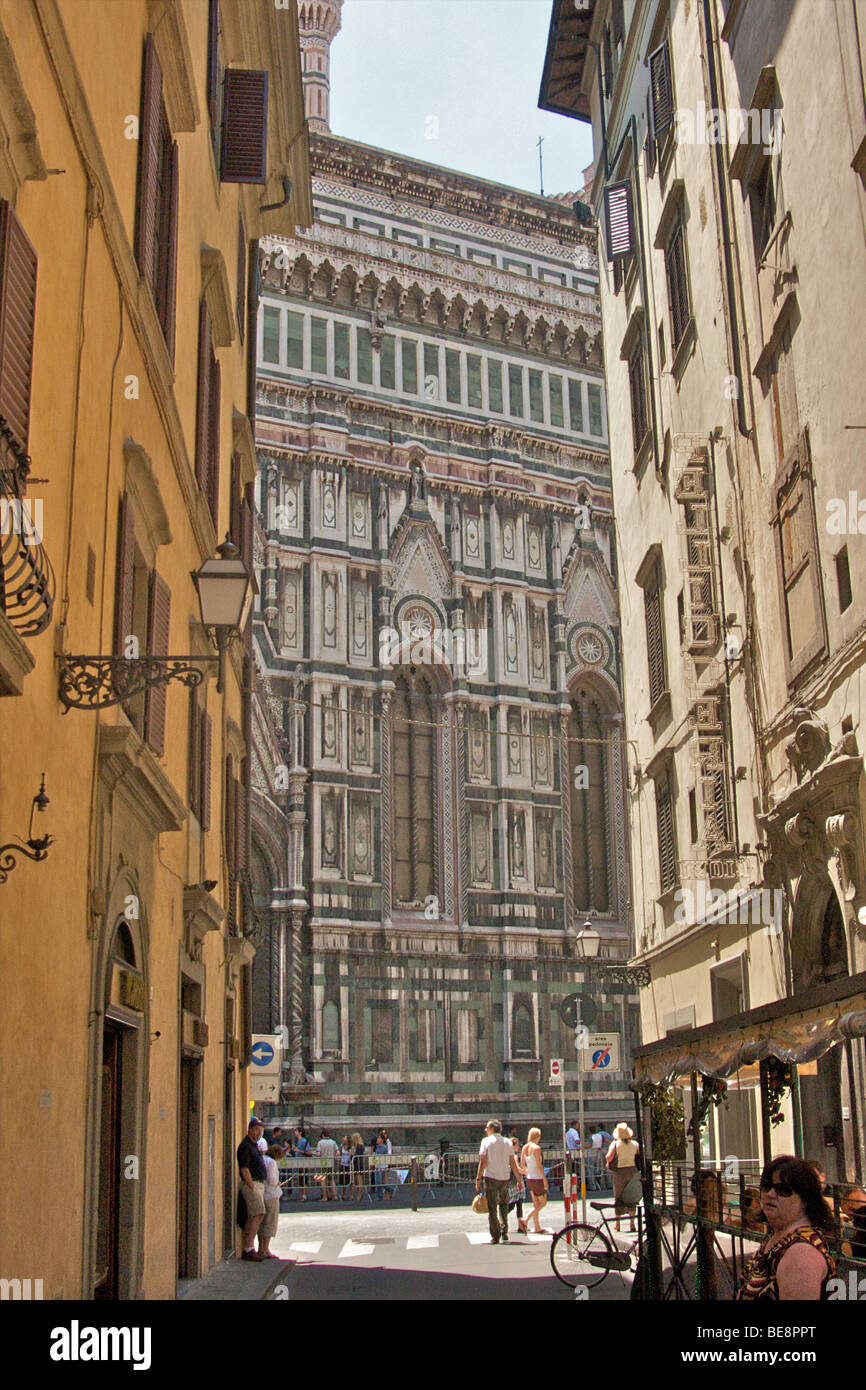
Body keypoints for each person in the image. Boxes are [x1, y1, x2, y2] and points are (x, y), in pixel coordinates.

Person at [737, 1156, 836, 1300]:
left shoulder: (801, 1254)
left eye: (783, 1190)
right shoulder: (779, 1238)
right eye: (766, 1186)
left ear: (804, 1200)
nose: (770, 1194)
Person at [475, 1119, 525, 1244]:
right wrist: (519, 1180)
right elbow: (512, 1162)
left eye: (487, 1127)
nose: (485, 1130)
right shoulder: (507, 1142)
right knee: (504, 1205)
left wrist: (478, 1179)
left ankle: (495, 1235)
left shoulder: (486, 1142)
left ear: (492, 1129)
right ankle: (504, 1231)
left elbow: (483, 1162)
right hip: (504, 1178)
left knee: (492, 1207)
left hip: (491, 1177)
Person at [236, 1117, 268, 1261]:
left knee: (254, 1215)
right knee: (259, 1213)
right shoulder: (245, 1146)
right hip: (252, 1184)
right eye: (256, 1129)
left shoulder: (253, 1145)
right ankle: (248, 1248)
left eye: (260, 1130)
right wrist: (252, 1186)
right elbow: (244, 1168)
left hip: (257, 1184)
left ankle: (248, 1247)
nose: (258, 1132)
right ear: (249, 1129)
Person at [606, 1122, 640, 1232]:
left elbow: (609, 1157)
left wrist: (608, 1163)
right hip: (632, 1170)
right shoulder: (635, 1144)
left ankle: (618, 1223)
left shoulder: (615, 1144)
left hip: (620, 1172)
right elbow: (638, 1155)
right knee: (631, 1197)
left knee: (619, 1197)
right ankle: (632, 1223)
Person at [521, 1127, 552, 1235]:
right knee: (542, 1203)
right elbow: (539, 1165)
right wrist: (545, 1180)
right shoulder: (537, 1148)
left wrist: (527, 1172)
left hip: (529, 1178)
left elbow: (522, 1165)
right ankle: (526, 1219)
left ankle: (537, 1226)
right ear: (537, 1137)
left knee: (536, 1203)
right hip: (537, 1178)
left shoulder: (524, 1147)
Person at [258, 1144, 284, 1259]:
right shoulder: (272, 1163)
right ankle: (266, 1249)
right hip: (271, 1195)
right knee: (270, 1222)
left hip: (261, 1193)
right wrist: (278, 1182)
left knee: (261, 1222)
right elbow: (272, 1180)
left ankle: (260, 1248)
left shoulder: (262, 1159)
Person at [508, 1135, 528, 1234]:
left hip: (512, 1181)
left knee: (516, 1203)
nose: (519, 1147)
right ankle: (520, 1224)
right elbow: (517, 1169)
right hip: (516, 1182)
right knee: (516, 1203)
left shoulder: (508, 1155)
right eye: (517, 1145)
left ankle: (520, 1224)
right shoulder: (514, 1156)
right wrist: (526, 1172)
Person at [316, 1129, 339, 1202]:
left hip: (323, 1163)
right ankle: (335, 1195)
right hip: (331, 1162)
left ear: (322, 1135)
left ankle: (325, 1196)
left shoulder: (320, 1142)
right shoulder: (333, 1142)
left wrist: (314, 1154)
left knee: (323, 1180)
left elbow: (318, 1154)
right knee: (332, 1179)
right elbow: (337, 1152)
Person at [350, 1131, 367, 1202]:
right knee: (358, 1181)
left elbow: (356, 1156)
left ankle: (359, 1195)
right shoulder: (360, 1146)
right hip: (358, 1164)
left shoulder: (359, 1146)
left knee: (359, 1181)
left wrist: (352, 1155)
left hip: (358, 1165)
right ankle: (359, 1195)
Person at [338, 1134, 353, 1198]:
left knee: (350, 1180)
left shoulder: (350, 1147)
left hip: (348, 1165)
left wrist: (351, 1155)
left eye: (345, 1138)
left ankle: (351, 1195)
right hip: (343, 1164)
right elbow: (339, 1154)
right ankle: (344, 1194)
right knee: (343, 1181)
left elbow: (352, 1154)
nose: (344, 1139)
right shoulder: (341, 1146)